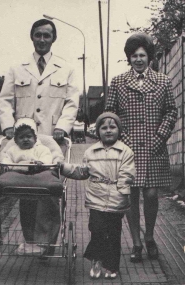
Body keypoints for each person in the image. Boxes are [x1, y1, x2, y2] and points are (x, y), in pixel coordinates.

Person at [0, 18, 79, 256]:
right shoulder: (17, 68)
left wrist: (63, 127)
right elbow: (4, 100)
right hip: (24, 140)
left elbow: (72, 103)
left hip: (53, 141)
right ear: (31, 37)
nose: (42, 39)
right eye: (38, 35)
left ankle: (47, 244)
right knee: (26, 191)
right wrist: (8, 127)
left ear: (54, 39)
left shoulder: (66, 69)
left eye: (47, 35)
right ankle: (31, 241)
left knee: (49, 191)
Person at [105, 33, 177, 262]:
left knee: (152, 194)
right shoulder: (118, 82)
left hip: (155, 147)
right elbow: (110, 115)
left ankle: (150, 237)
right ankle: (136, 243)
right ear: (129, 58)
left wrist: (161, 136)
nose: (138, 59)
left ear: (150, 58)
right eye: (134, 55)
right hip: (127, 149)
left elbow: (171, 111)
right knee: (131, 196)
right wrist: (121, 139)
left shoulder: (163, 81)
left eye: (143, 55)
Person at [59, 112, 136, 279]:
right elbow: (82, 171)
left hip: (117, 199)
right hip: (96, 198)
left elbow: (127, 173)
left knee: (114, 233)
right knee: (97, 230)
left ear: (119, 130)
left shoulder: (126, 151)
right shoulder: (91, 151)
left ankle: (112, 266)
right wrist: (63, 168)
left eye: (112, 127)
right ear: (98, 131)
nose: (108, 130)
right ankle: (97, 259)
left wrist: (121, 192)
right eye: (104, 127)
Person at [0, 118, 64, 254]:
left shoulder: (41, 148)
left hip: (39, 176)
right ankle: (30, 240)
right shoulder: (13, 150)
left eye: (29, 136)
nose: (25, 140)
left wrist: (41, 162)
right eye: (21, 137)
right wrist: (10, 165)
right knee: (26, 209)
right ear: (15, 140)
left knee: (46, 204)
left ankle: (45, 241)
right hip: (19, 177)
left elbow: (47, 158)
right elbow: (6, 160)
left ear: (35, 138)